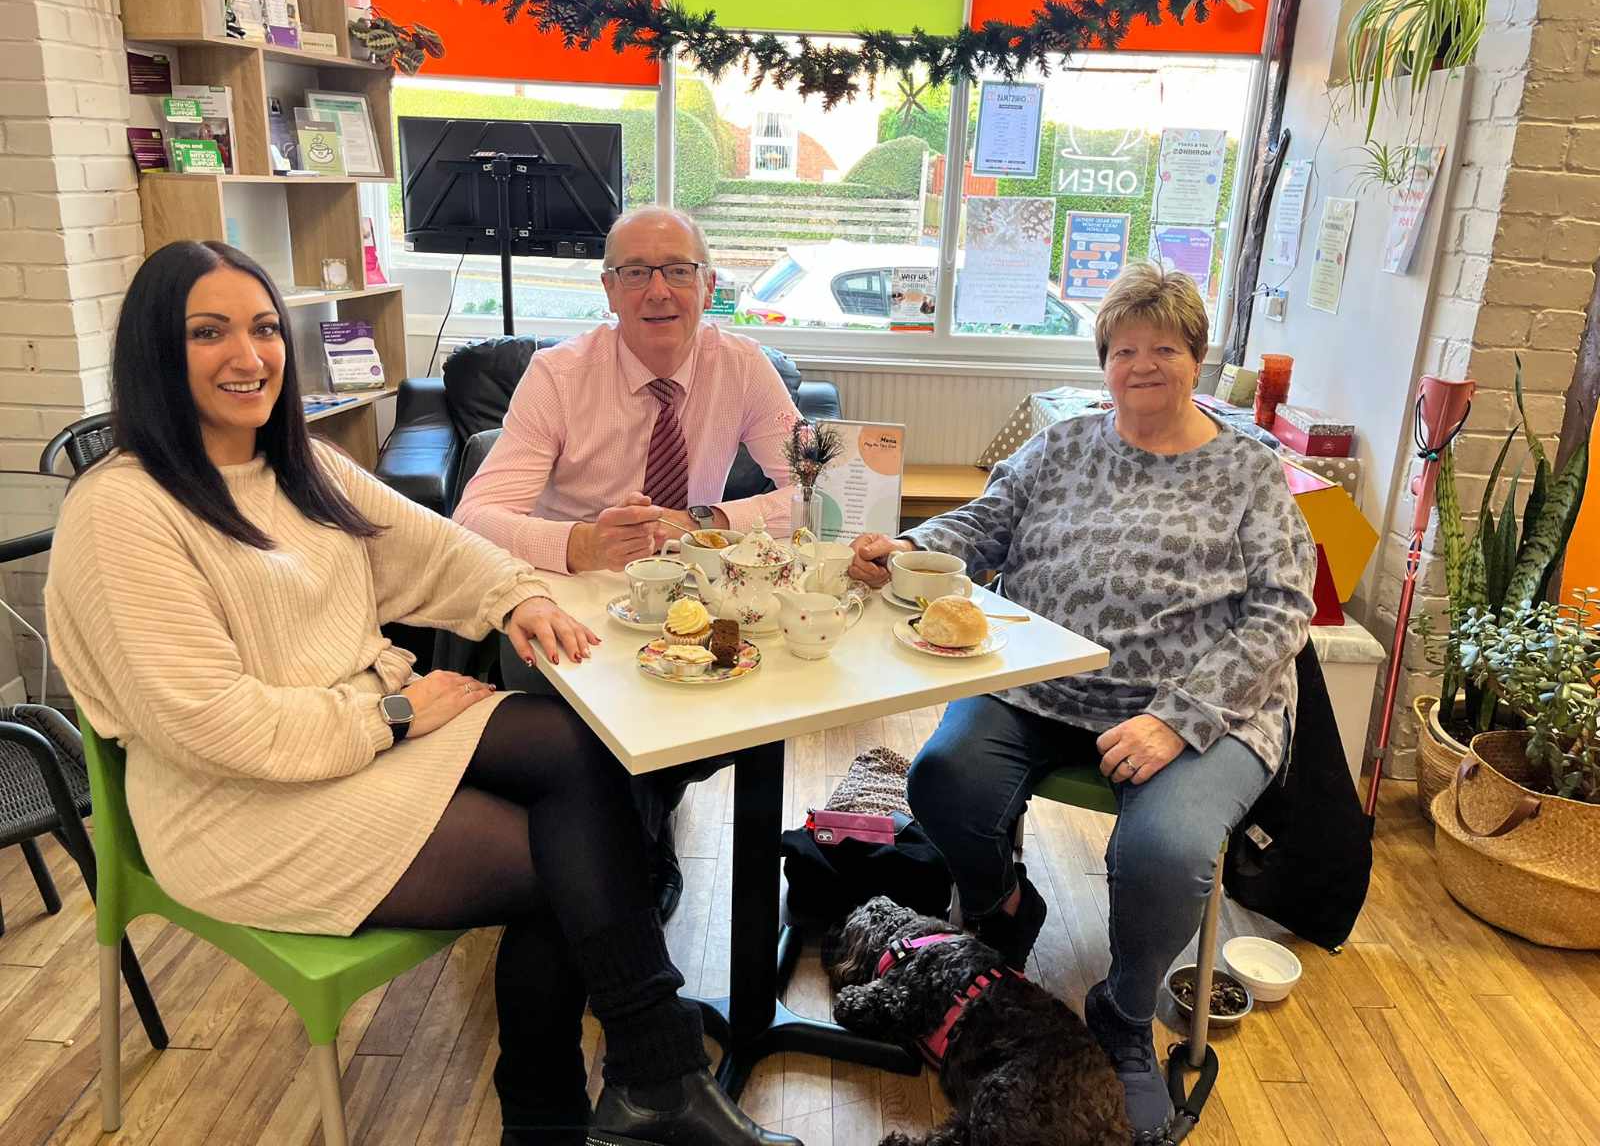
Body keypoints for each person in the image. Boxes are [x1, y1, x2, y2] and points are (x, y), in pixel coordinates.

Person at [44, 241, 799, 1146]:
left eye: (261, 329)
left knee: (576, 748)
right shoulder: (122, 511)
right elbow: (215, 728)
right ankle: (597, 1100)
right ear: (154, 352)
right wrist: (391, 715)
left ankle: (640, 1084)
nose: (247, 358)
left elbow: (440, 546)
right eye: (208, 333)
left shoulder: (299, 467)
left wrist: (514, 594)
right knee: (582, 865)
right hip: (239, 809)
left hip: (350, 749)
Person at [847, 263, 1316, 1143]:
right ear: (1104, 362)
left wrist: (1180, 718)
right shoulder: (1061, 445)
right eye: (1125, 349)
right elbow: (983, 524)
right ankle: (1000, 913)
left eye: (1165, 349)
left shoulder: (1249, 473)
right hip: (1042, 682)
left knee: (1166, 851)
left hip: (1198, 709)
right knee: (943, 778)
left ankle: (1126, 1015)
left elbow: (1283, 610)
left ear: (1198, 361)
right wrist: (905, 546)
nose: (1144, 365)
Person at [453, 206, 803, 920]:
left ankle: (641, 822)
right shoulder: (557, 376)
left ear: (708, 286)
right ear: (609, 289)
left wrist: (706, 520)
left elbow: (821, 489)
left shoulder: (742, 366)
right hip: (568, 602)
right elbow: (472, 518)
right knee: (601, 724)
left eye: (678, 271)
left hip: (685, 597)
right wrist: (575, 542)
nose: (659, 292)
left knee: (735, 701)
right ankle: (629, 851)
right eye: (637, 272)